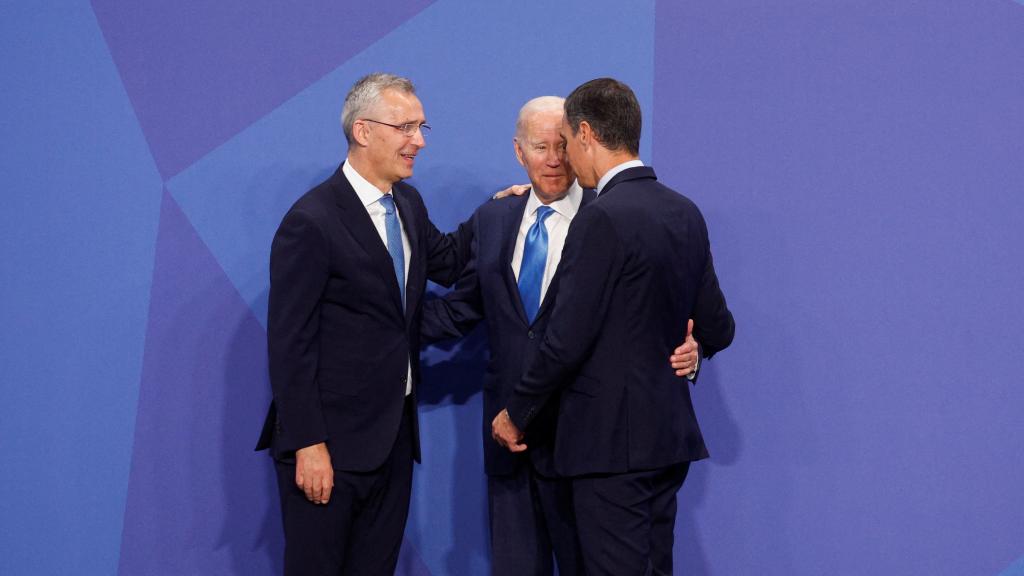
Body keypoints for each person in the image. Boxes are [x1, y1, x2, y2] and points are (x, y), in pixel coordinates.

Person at [422, 96, 702, 575]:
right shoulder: (494, 218)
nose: (553, 159)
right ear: (519, 152)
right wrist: (381, 330)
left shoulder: (612, 216)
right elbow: (462, 307)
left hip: (585, 444)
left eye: (561, 145)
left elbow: (664, 309)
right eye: (539, 147)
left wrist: (693, 346)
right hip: (509, 443)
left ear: (579, 144)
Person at [492, 78, 735, 575]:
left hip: (608, 449)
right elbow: (718, 326)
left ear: (586, 134)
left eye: (566, 141)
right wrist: (693, 349)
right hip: (666, 441)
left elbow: (566, 339)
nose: (563, 157)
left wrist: (517, 411)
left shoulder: (601, 218)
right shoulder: (684, 211)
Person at [255, 73, 469, 575]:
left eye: (421, 127)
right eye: (406, 127)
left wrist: (513, 212)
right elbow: (290, 344)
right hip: (327, 448)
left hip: (392, 443)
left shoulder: (408, 204)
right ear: (363, 131)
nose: (419, 140)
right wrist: (309, 444)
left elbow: (452, 260)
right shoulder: (311, 220)